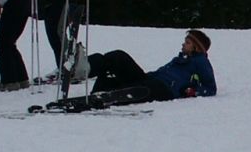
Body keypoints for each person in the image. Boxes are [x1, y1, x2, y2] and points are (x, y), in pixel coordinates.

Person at [84, 29, 217, 105]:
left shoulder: (201, 61)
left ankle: (106, 95)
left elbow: (210, 88)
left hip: (165, 89)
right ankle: (84, 66)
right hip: (151, 80)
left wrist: (192, 91)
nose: (183, 44)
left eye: (187, 43)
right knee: (118, 56)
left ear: (196, 47)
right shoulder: (180, 59)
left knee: (136, 88)